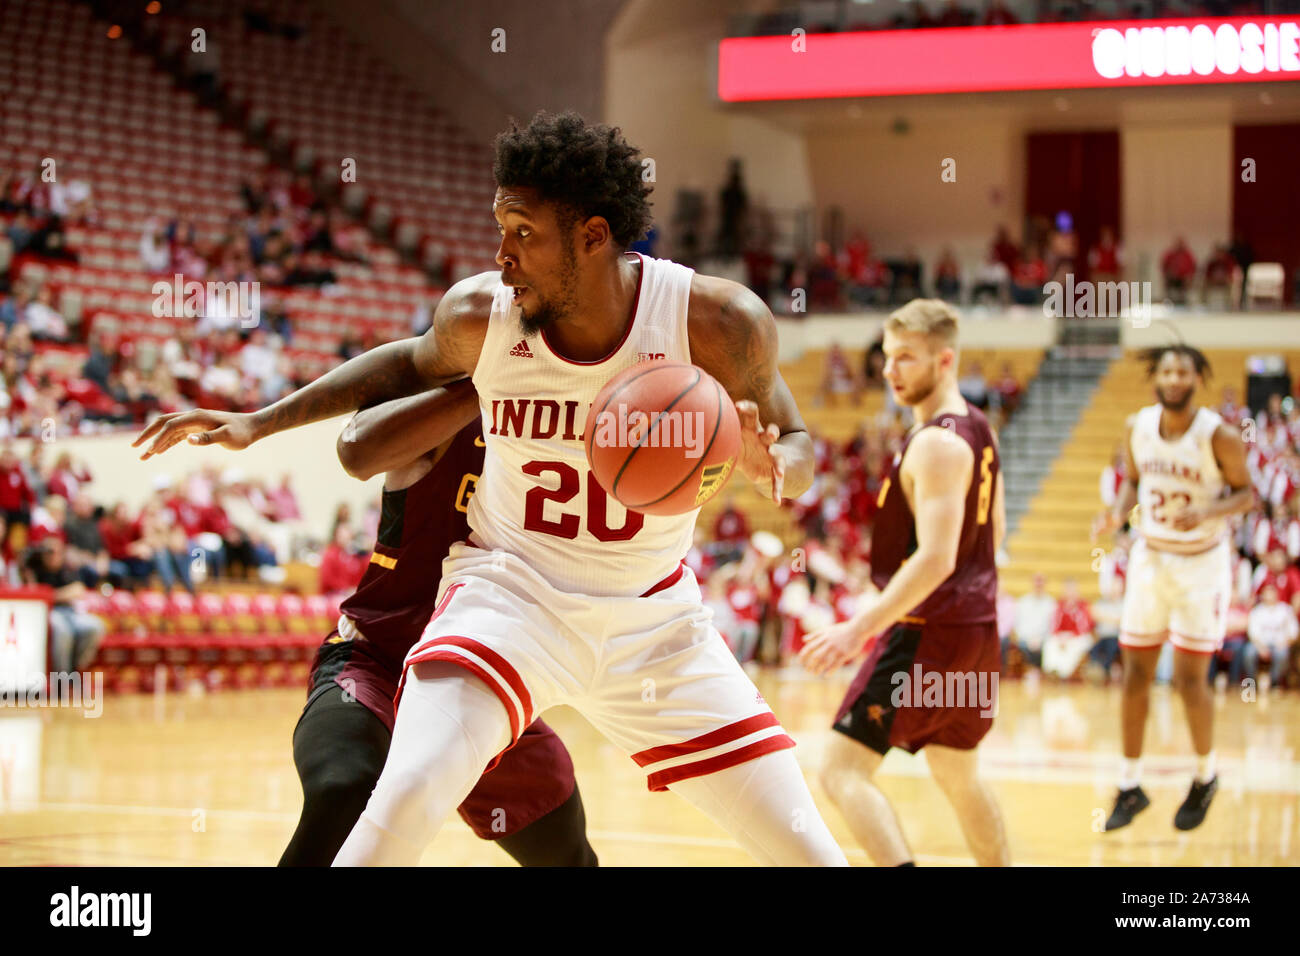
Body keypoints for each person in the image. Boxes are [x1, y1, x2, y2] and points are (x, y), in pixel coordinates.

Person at [133, 110, 847, 867]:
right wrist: (260, 421)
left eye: (523, 231)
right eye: (500, 226)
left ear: (593, 236)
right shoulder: (483, 316)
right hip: (511, 599)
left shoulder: (716, 320)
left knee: (808, 849)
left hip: (654, 622)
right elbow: (399, 365)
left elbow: (795, 442)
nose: (501, 253)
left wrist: (778, 467)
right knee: (400, 799)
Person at [280, 382, 597, 866]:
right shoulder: (448, 408)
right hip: (379, 660)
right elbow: (359, 448)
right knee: (344, 786)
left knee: (566, 850)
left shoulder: (576, 434)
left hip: (480, 679)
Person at [799, 299, 1010, 867]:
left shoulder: (938, 443)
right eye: (888, 357)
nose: (890, 370)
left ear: (944, 361)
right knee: (958, 773)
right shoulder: (981, 430)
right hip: (976, 631)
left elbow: (938, 558)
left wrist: (858, 630)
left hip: (926, 632)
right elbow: (996, 534)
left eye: (906, 359)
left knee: (841, 771)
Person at [1094, 345, 1255, 832]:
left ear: (1197, 378)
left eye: (1183, 370)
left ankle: (1205, 776)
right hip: (1151, 557)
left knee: (1189, 679)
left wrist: (1207, 511)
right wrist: (1116, 513)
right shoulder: (1137, 427)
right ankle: (1129, 784)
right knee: (1135, 673)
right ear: (1156, 378)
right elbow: (1133, 482)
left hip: (1202, 565)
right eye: (1166, 369)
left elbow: (1248, 495)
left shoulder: (1219, 435)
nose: (1174, 377)